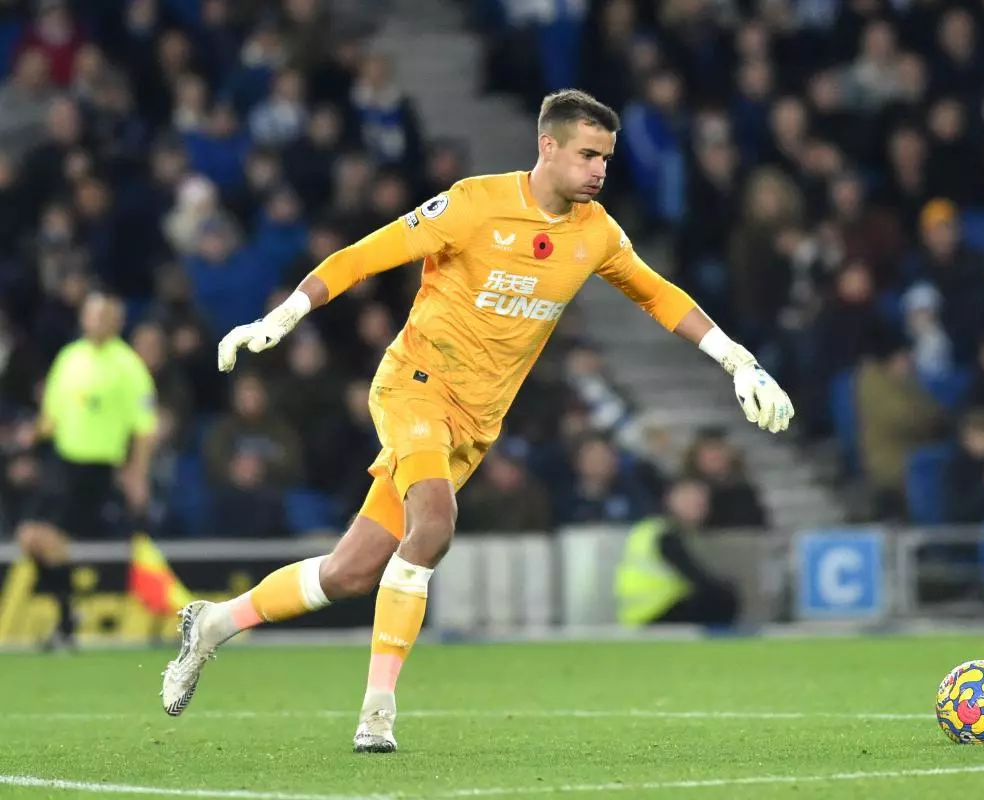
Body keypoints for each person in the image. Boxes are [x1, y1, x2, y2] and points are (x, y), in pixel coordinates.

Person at [159, 89, 793, 752]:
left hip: (475, 426)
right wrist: (280, 318)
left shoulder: (596, 232)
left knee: (349, 573)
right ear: (547, 146)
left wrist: (737, 361)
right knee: (434, 525)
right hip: (415, 387)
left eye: (606, 156)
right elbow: (362, 256)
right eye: (586, 154)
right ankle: (377, 711)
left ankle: (213, 624)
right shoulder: (473, 204)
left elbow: (657, 293)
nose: (599, 169)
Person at [16, 292, 157, 650]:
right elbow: (53, 413)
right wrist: (33, 433)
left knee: (46, 538)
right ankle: (68, 617)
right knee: (29, 536)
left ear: (116, 322)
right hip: (61, 462)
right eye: (92, 315)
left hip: (95, 467)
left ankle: (66, 621)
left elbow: (145, 426)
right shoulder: (70, 357)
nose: (96, 321)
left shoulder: (128, 366)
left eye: (104, 316)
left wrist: (137, 473)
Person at [615, 478, 740, 627]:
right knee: (721, 596)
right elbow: (696, 576)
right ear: (671, 499)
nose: (697, 507)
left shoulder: (651, 529)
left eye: (701, 503)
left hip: (637, 613)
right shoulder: (665, 535)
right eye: (690, 501)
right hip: (654, 612)